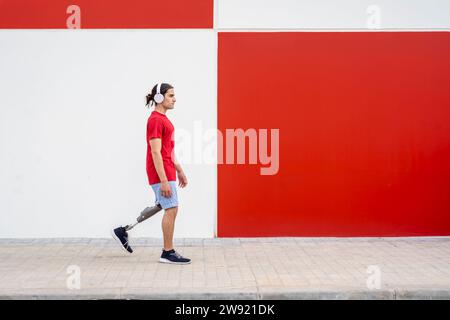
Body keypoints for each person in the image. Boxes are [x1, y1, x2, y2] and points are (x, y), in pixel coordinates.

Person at [111, 83, 191, 265]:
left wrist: (180, 170)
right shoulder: (155, 120)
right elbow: (155, 152)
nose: (174, 99)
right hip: (160, 172)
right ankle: (167, 252)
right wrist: (163, 180)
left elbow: (168, 149)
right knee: (171, 208)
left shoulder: (165, 120)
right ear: (159, 98)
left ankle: (123, 230)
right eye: (171, 95)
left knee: (162, 206)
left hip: (168, 170)